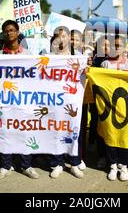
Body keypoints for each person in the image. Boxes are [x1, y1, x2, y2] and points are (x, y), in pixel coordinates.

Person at [0, 20, 40, 180]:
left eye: (12, 30)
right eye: (6, 31)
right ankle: (5, 166)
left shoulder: (28, 55)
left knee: (25, 132)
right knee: (5, 133)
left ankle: (26, 165)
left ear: (18, 32)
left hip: (24, 101)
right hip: (4, 102)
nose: (9, 33)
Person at [48, 26, 86, 179]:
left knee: (73, 131)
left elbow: (84, 74)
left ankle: (74, 162)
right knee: (55, 130)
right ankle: (57, 163)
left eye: (64, 36)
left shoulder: (78, 57)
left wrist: (86, 68)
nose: (61, 39)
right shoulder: (48, 57)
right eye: (58, 36)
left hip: (72, 102)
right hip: (54, 102)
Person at [100, 35, 128, 182]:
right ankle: (113, 164)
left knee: (124, 137)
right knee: (111, 135)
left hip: (126, 108)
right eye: (114, 45)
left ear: (124, 48)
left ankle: (124, 165)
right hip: (109, 107)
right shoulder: (105, 64)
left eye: (119, 45)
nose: (116, 48)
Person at [88, 35, 110, 169]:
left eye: (108, 45)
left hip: (111, 101)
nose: (106, 48)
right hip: (97, 99)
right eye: (103, 45)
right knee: (96, 122)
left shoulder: (116, 60)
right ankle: (97, 149)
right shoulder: (94, 60)